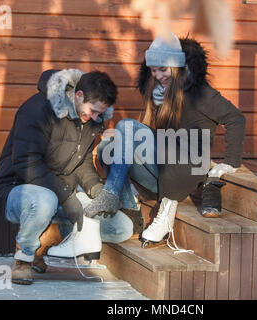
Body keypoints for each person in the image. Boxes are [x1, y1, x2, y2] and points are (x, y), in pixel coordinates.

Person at [83, 34, 245, 248]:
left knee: (126, 126)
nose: (158, 75)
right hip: (164, 166)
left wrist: (230, 162)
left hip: (187, 169)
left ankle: (113, 194)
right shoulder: (163, 92)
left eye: (163, 69)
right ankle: (131, 211)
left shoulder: (200, 92)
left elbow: (236, 118)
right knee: (107, 147)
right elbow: (163, 138)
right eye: (153, 70)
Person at [0, 69, 133, 285]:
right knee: (44, 200)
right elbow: (26, 163)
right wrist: (67, 198)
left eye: (99, 114)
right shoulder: (37, 109)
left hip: (62, 193)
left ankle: (45, 240)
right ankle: (24, 258)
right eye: (92, 111)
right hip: (17, 189)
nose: (95, 118)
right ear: (79, 95)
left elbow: (82, 163)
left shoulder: (91, 119)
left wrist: (96, 190)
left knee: (121, 227)